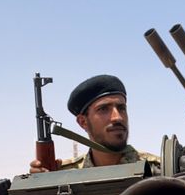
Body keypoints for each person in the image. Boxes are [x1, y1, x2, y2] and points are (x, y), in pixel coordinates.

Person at [29, 74, 158, 173]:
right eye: (103, 109)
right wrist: (40, 183)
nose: (117, 117)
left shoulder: (159, 171)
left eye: (121, 108)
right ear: (83, 122)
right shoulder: (65, 175)